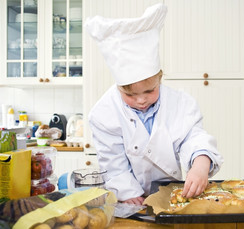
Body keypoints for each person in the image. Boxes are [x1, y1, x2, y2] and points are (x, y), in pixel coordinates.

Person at [85, 3, 223, 205]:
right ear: (118, 87)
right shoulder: (103, 114)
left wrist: (201, 165)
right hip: (128, 196)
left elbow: (193, 138)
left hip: (171, 192)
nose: (141, 100)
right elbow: (113, 163)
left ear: (160, 78)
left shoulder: (181, 103)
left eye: (150, 90)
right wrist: (128, 192)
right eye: (130, 94)